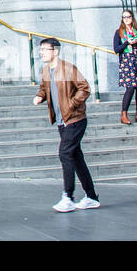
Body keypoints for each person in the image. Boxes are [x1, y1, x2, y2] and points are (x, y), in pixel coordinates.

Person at [32, 37, 100, 213]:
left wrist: (71, 104)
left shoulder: (68, 68)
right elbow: (43, 88)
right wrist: (40, 96)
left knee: (64, 153)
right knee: (76, 157)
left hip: (75, 119)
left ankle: (68, 197)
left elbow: (84, 88)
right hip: (62, 121)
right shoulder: (46, 71)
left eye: (45, 50)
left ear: (55, 51)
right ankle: (91, 197)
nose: (41, 53)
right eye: (40, 50)